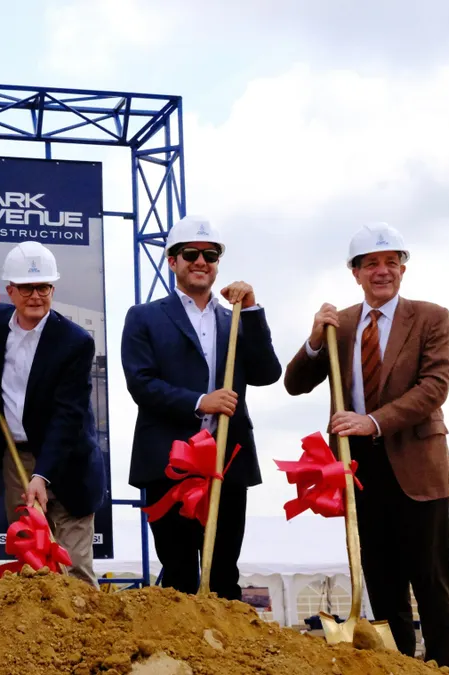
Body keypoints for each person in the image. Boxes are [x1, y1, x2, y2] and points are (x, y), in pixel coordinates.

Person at [283, 222, 449, 670]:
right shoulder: (338, 324)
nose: (382, 271)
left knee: (431, 581)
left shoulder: (432, 316)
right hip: (359, 468)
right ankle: (396, 665)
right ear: (355, 273)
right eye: (371, 264)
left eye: (391, 262)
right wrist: (314, 341)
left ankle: (444, 667)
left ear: (403, 268)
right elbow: (295, 384)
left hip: (417, 464)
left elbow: (434, 386)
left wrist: (373, 422)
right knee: (382, 580)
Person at [121, 215, 281, 600]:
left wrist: (254, 311)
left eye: (210, 254)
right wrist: (199, 402)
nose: (200, 261)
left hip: (227, 462)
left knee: (225, 572)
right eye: (190, 253)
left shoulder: (236, 320)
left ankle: (225, 657)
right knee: (179, 572)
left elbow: (267, 372)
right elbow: (141, 383)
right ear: (172, 260)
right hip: (170, 462)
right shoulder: (144, 317)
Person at [0, 241, 107, 586]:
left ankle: (86, 637)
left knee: (74, 569)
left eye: (43, 287)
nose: (36, 295)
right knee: (33, 566)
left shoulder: (74, 342)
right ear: (11, 291)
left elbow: (68, 416)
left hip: (69, 462)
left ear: (53, 289)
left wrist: (42, 476)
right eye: (28, 288)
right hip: (18, 458)